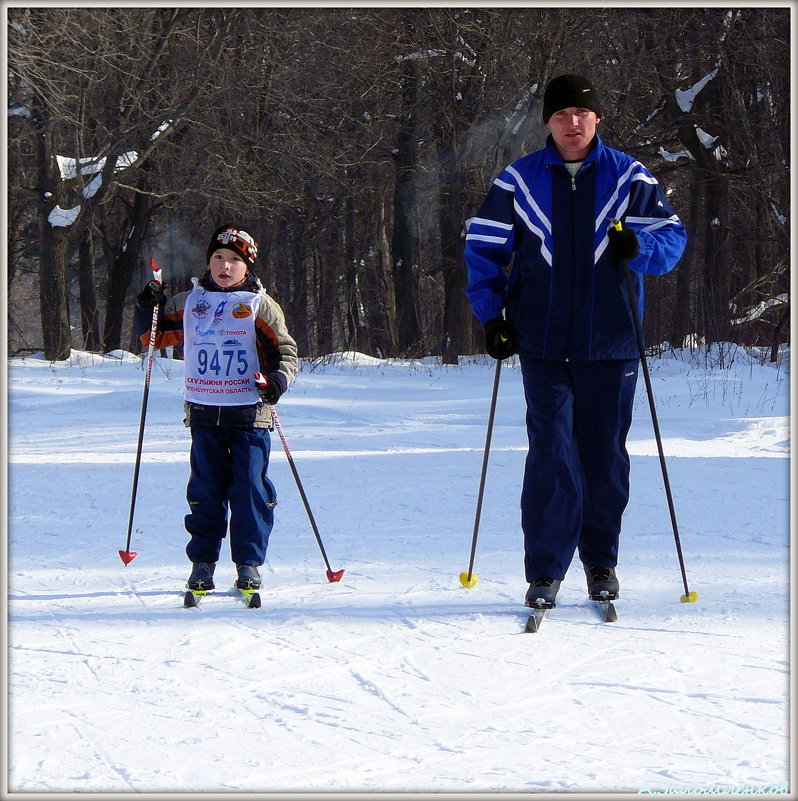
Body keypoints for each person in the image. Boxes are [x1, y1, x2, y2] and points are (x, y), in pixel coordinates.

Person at [463, 74, 687, 609]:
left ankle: (601, 563)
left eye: (582, 114)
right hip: (540, 342)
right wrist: (493, 317)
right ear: (547, 121)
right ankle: (545, 569)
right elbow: (484, 249)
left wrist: (638, 247)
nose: (572, 123)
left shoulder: (629, 176)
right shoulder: (518, 180)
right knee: (551, 452)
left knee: (603, 456)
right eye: (562, 114)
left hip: (611, 342)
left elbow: (672, 239)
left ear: (597, 119)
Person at [136, 223, 299, 593]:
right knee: (206, 490)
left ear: (248, 267)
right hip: (205, 411)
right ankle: (203, 563)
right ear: (209, 261)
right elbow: (154, 337)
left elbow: (284, 353)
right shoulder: (191, 302)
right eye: (218, 258)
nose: (225, 266)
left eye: (234, 261)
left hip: (249, 413)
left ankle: (248, 564)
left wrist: (275, 383)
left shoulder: (259, 304)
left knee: (250, 489)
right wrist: (148, 306)